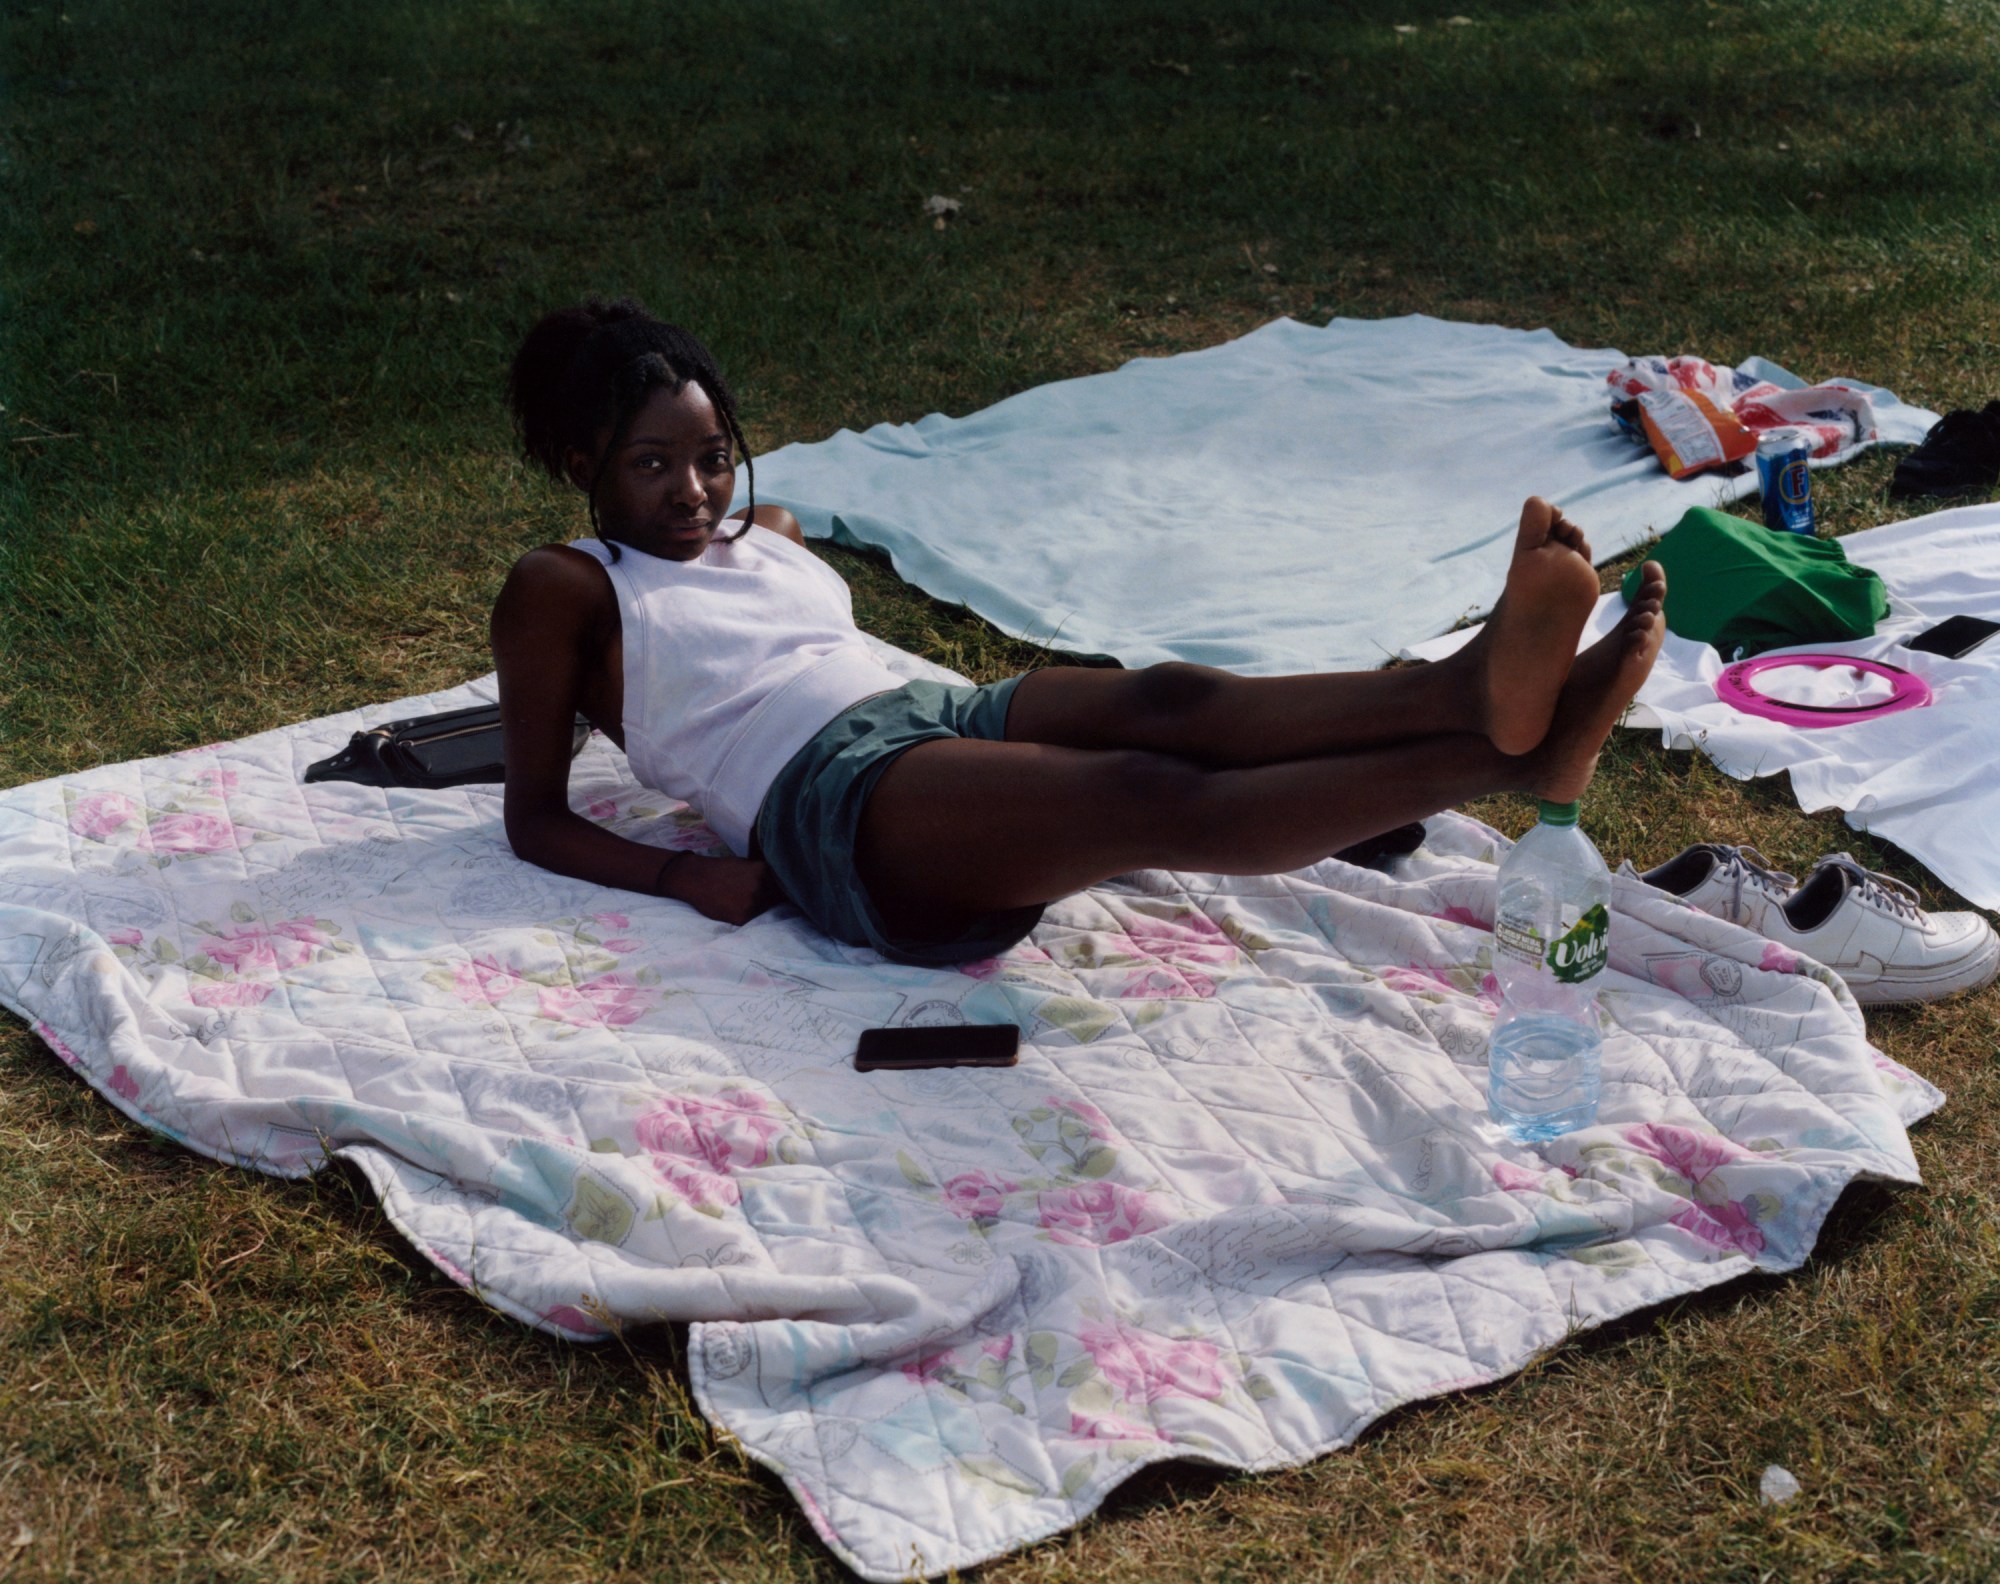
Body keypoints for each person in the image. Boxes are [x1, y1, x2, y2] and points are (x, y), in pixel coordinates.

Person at [493, 298, 1667, 965]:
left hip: (927, 715)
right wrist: (682, 876)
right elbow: (535, 815)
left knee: (1172, 701)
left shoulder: (775, 530)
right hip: (829, 801)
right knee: (1143, 791)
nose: (693, 491)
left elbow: (817, 630)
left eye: (708, 456)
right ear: (577, 465)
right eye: (652, 467)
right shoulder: (567, 588)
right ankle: (1510, 751)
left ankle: (1465, 687)